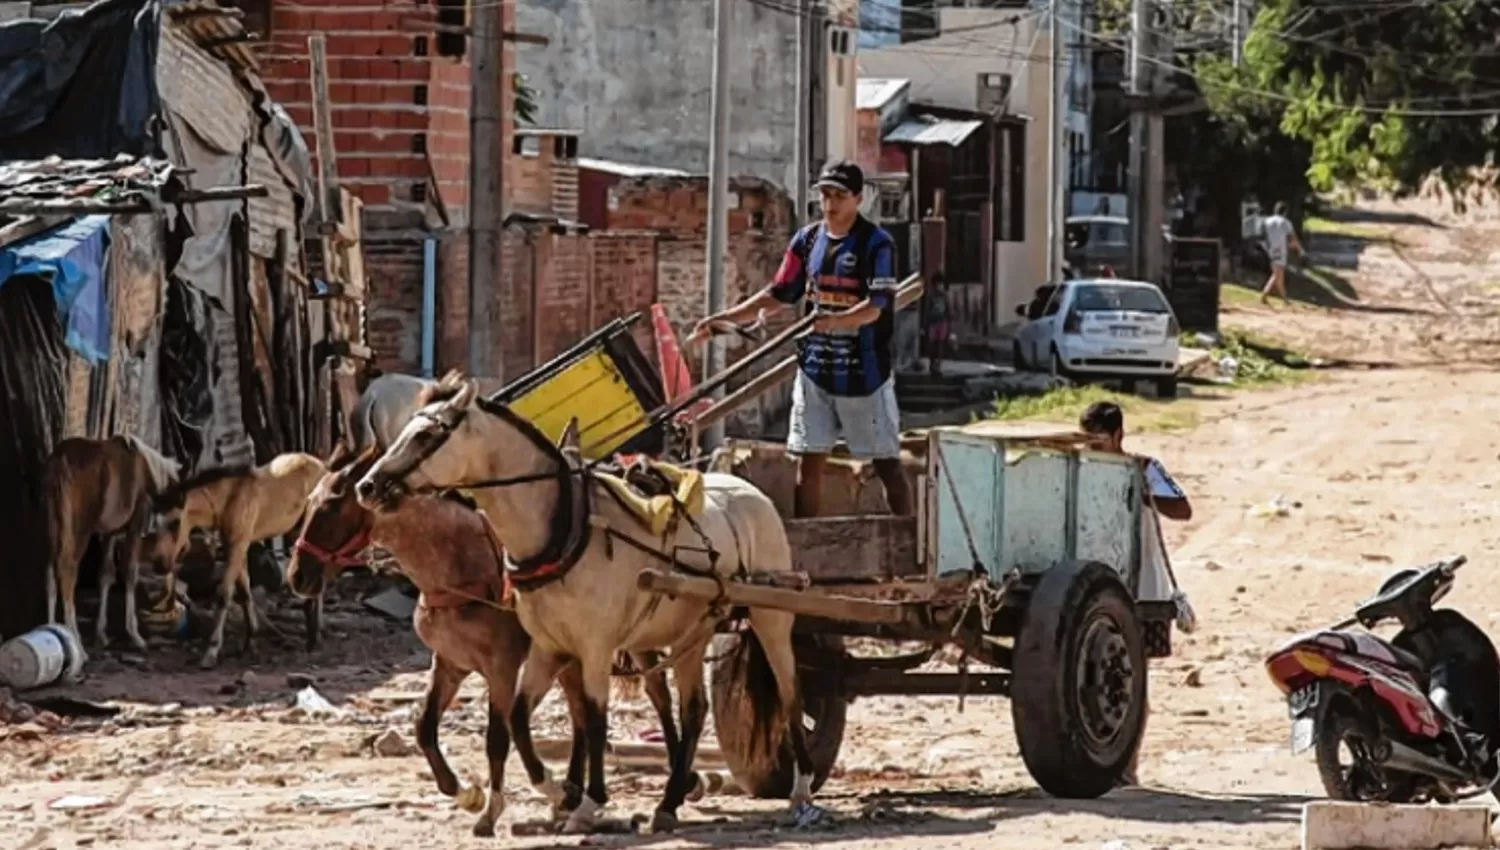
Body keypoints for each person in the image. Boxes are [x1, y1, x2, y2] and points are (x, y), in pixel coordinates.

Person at [687, 159, 912, 519]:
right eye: (825, 194)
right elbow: (777, 295)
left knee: (886, 464)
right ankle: (809, 547)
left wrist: (837, 321)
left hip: (864, 374)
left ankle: (905, 539)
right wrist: (722, 320)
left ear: (858, 198)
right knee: (808, 465)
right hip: (815, 372)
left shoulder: (876, 244)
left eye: (839, 195)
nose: (830, 203)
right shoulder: (806, 242)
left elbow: (878, 306)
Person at [1079, 401, 1193, 787]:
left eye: (1100, 442)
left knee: (1133, 678)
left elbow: (1183, 509)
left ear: (1118, 437)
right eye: (1087, 442)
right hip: (1096, 586)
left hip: (1144, 589)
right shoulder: (1081, 470)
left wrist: (1147, 495)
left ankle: (1128, 766)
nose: (1094, 450)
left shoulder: (1145, 468)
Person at [1260, 201, 1304, 306]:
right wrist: (1300, 250)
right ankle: (1281, 299)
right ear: (1285, 212)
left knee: (1277, 273)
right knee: (1278, 274)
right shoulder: (1285, 222)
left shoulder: (1267, 221)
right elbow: (1292, 237)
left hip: (1270, 249)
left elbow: (1262, 235)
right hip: (1281, 249)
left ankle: (1271, 296)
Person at [924, 270, 950, 376]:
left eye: (941, 283)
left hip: (942, 322)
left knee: (940, 345)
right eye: (938, 283)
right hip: (933, 323)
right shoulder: (931, 296)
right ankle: (932, 365)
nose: (939, 285)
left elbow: (947, 310)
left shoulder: (944, 296)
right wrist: (926, 324)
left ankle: (938, 366)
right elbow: (927, 310)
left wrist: (948, 322)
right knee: (932, 345)